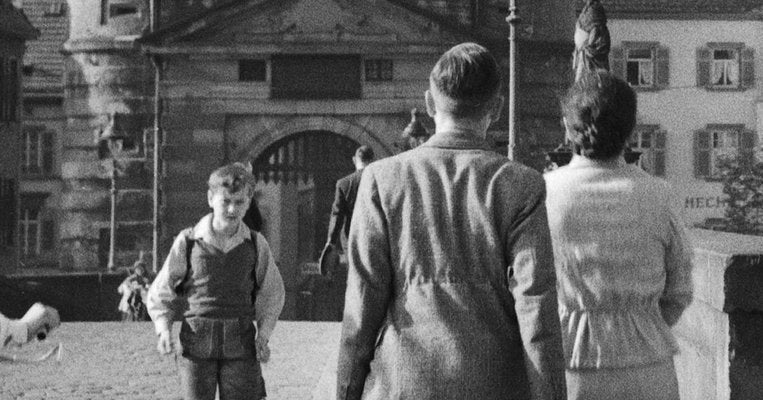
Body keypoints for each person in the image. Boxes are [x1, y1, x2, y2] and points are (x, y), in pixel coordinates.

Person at [336, 42, 566, 400]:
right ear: (497, 107)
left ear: (429, 103)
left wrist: (346, 393)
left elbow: (362, 306)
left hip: (403, 381)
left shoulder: (382, 180)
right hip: (495, 385)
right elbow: (537, 308)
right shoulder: (519, 184)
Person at [543, 71, 693, 400]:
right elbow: (679, 290)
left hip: (572, 366)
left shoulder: (545, 192)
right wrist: (639, 324)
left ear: (568, 128)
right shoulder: (658, 195)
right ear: (630, 130)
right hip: (648, 366)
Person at [146, 162, 285, 400]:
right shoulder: (189, 241)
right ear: (211, 198)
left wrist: (263, 333)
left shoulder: (255, 243)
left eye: (239, 202)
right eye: (225, 202)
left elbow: (272, 292)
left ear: (249, 201)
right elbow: (162, 289)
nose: (232, 210)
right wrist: (163, 329)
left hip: (240, 346)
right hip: (196, 347)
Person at [324, 145, 375, 254]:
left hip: (352, 239)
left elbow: (337, 215)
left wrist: (331, 242)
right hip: (376, 238)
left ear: (354, 160)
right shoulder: (380, 181)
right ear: (372, 160)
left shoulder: (344, 184)